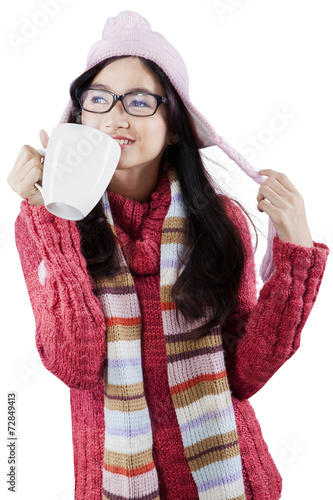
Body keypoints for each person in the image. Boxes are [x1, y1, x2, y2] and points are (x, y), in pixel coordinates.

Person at [7, 10, 329, 500]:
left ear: (175, 125)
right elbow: (75, 362)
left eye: (138, 101)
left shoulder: (221, 223)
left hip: (231, 482)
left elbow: (245, 372)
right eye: (98, 99)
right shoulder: (46, 225)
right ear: (79, 116)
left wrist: (296, 250)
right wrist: (49, 214)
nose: (115, 116)